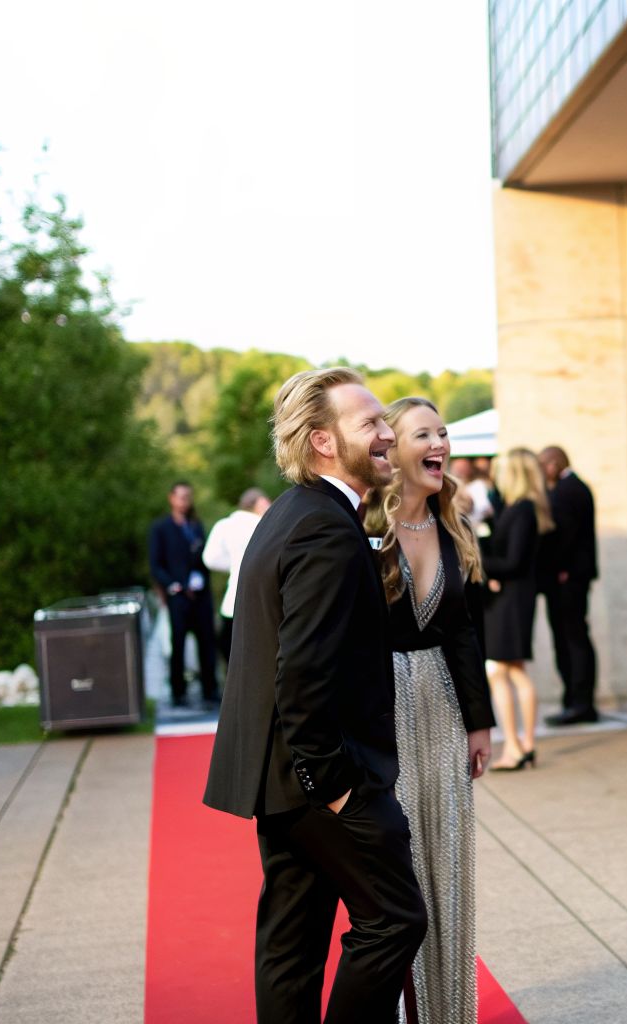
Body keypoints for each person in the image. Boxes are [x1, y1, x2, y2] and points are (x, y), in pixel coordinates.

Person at [203, 367, 425, 1023]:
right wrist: (332, 784)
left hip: (279, 779)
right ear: (324, 441)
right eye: (372, 424)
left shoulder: (294, 513)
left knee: (293, 942)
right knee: (394, 920)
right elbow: (302, 672)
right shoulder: (323, 527)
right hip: (319, 778)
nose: (389, 434)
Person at [363, 397, 494, 1024]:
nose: (440, 442)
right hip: (378, 711)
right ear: (394, 448)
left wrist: (480, 720)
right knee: (396, 872)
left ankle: (448, 1012)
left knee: (449, 860)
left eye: (443, 432)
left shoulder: (453, 528)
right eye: (424, 433)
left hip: (441, 705)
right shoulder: (362, 529)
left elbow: (465, 632)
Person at [480, 448, 553, 770]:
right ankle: (521, 744)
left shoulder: (523, 509)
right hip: (508, 596)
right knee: (508, 670)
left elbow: (513, 562)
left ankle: (518, 745)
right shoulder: (512, 506)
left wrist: (479, 559)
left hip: (512, 597)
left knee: (503, 670)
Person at [538, 446, 601, 726]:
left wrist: (559, 569)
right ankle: (577, 701)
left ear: (553, 464)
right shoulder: (577, 487)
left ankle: (579, 703)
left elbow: (564, 537)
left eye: (542, 465)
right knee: (573, 637)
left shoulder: (565, 491)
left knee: (571, 639)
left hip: (567, 578)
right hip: (573, 576)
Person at [149, 481, 217, 707]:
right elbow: (156, 565)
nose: (184, 501)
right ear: (172, 498)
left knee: (206, 642)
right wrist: (172, 585)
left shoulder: (196, 526)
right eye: (181, 497)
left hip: (199, 596)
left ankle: (210, 690)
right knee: (177, 643)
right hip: (178, 596)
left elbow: (206, 559)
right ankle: (179, 691)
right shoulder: (161, 528)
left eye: (188, 497)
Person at [203, 487, 270, 670]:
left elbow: (210, 559)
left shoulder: (224, 525)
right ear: (261, 503)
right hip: (259, 599)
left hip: (231, 600)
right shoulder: (265, 524)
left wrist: (235, 566)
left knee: (232, 654)